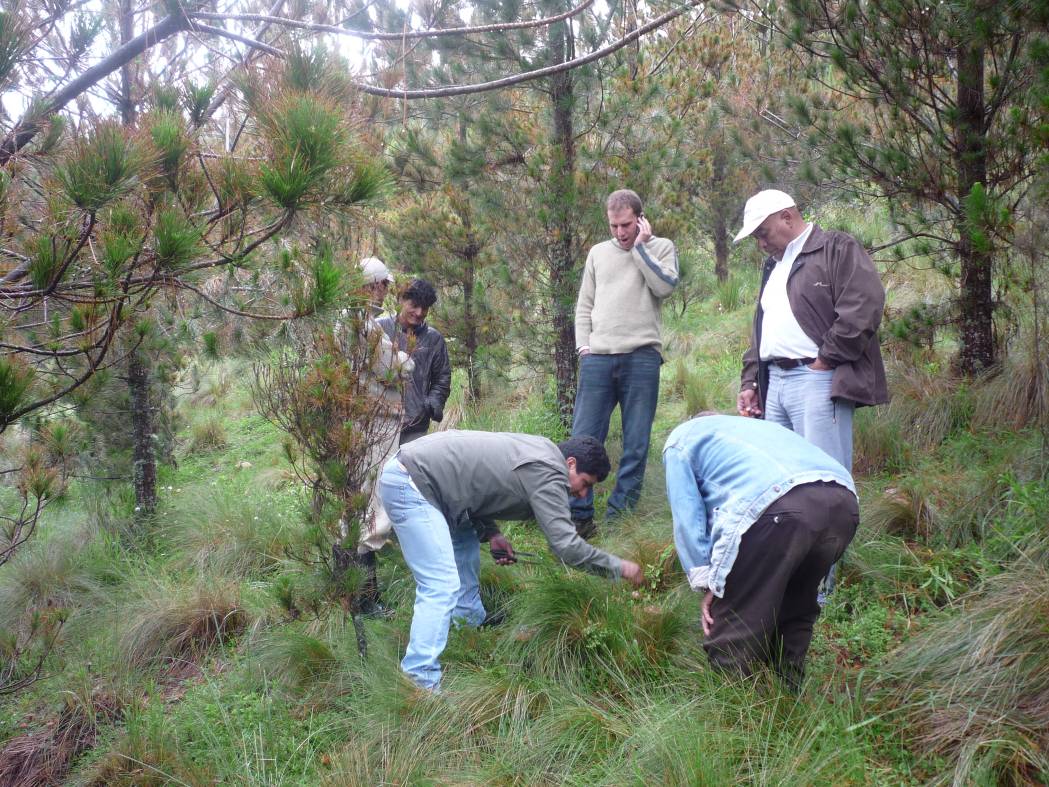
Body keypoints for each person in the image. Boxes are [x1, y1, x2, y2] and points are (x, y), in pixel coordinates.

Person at [378, 431, 645, 691]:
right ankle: (419, 681)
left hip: (430, 482)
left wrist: (492, 534)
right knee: (440, 585)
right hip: (411, 483)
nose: (584, 495)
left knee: (465, 543)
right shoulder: (550, 470)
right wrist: (619, 567)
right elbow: (566, 545)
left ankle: (467, 627)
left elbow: (476, 485)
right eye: (585, 483)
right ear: (571, 464)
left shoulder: (542, 451)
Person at [663, 414, 859, 690]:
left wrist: (707, 581)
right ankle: (788, 701)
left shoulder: (683, 439)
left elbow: (687, 515)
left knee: (735, 627)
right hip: (843, 503)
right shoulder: (759, 429)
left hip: (779, 506)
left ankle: (735, 714)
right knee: (795, 609)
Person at [734, 189, 888, 472]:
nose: (761, 244)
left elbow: (864, 305)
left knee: (824, 476)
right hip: (774, 383)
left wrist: (826, 360)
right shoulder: (773, 266)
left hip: (816, 379)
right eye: (756, 237)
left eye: (764, 233)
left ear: (787, 217)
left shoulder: (837, 248)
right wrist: (751, 382)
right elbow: (763, 331)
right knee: (783, 477)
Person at [571, 189, 679, 538]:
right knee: (583, 439)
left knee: (636, 442)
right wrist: (583, 347)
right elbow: (584, 305)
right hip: (598, 359)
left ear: (641, 220)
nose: (620, 232)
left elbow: (663, 287)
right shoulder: (598, 254)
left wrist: (641, 248)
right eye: (614, 226)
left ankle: (619, 521)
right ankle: (578, 517)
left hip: (642, 357)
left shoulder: (660, 248)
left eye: (627, 225)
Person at [347, 256, 411, 617]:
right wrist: (407, 360)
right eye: (383, 284)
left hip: (362, 419)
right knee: (374, 504)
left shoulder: (354, 320)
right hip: (376, 419)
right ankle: (365, 601)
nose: (385, 291)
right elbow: (391, 367)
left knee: (358, 503)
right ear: (371, 285)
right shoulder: (363, 323)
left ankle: (355, 594)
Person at [377, 279, 452, 445]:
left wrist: (434, 400)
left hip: (416, 428)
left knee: (410, 471)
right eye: (414, 305)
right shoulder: (378, 330)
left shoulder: (434, 339)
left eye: (424, 308)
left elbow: (442, 378)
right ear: (401, 300)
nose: (419, 312)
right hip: (379, 423)